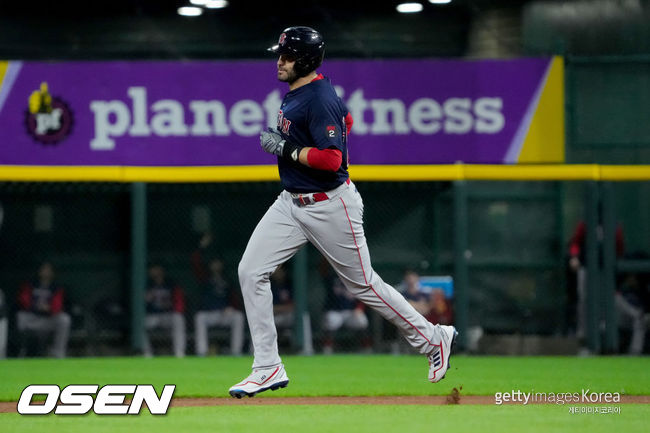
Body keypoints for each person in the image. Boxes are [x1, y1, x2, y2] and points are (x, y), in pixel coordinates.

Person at [228, 26, 457, 398]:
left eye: (286, 55)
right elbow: (346, 123)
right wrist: (299, 143)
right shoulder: (307, 92)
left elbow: (333, 159)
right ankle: (267, 366)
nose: (279, 60)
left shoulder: (317, 98)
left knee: (363, 285)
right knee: (251, 271)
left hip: (329, 204)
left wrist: (286, 150)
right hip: (291, 203)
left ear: (304, 60)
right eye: (280, 53)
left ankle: (433, 338)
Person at [192, 233, 245, 356]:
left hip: (224, 314)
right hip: (209, 313)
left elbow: (234, 298)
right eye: (214, 263)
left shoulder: (227, 279)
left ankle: (236, 351)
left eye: (218, 263)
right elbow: (195, 262)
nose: (216, 265)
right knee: (199, 317)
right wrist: (202, 247)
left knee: (238, 317)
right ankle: (202, 351)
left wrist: (232, 307)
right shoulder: (204, 277)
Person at [16, 261, 71, 358]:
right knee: (20, 316)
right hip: (33, 319)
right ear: (39, 271)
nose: (46, 272)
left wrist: (49, 308)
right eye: (44, 269)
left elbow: (58, 305)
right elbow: (23, 300)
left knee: (64, 319)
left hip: (49, 320)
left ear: (52, 273)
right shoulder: (31, 284)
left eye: (48, 270)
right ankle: (21, 350)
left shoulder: (56, 287)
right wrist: (35, 306)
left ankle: (58, 353)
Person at [321, 264, 369, 354]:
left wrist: (359, 308)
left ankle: (366, 347)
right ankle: (327, 347)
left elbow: (364, 296)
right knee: (331, 320)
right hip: (335, 311)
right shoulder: (332, 277)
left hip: (351, 312)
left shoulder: (355, 279)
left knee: (362, 321)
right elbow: (322, 269)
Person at [143, 264, 186, 358]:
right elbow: (142, 302)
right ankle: (147, 352)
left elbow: (178, 300)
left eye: (156, 269)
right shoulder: (147, 284)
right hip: (152, 315)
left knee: (178, 319)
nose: (154, 272)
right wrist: (147, 298)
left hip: (168, 315)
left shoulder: (170, 283)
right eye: (152, 270)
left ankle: (179, 352)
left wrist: (175, 308)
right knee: (140, 324)